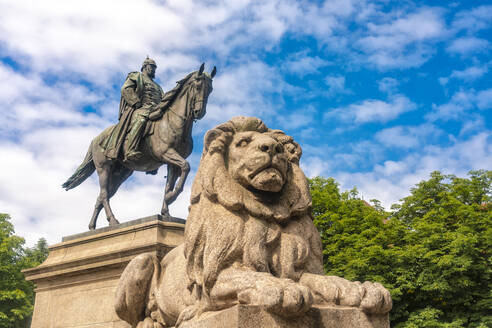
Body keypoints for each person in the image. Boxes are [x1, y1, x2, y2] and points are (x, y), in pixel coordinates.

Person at [103, 57, 166, 162]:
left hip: (156, 109)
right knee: (141, 120)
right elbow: (126, 89)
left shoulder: (158, 87)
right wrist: (136, 102)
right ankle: (130, 150)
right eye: (152, 67)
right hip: (141, 108)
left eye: (155, 68)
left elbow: (163, 99)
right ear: (145, 67)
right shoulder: (136, 76)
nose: (154, 70)